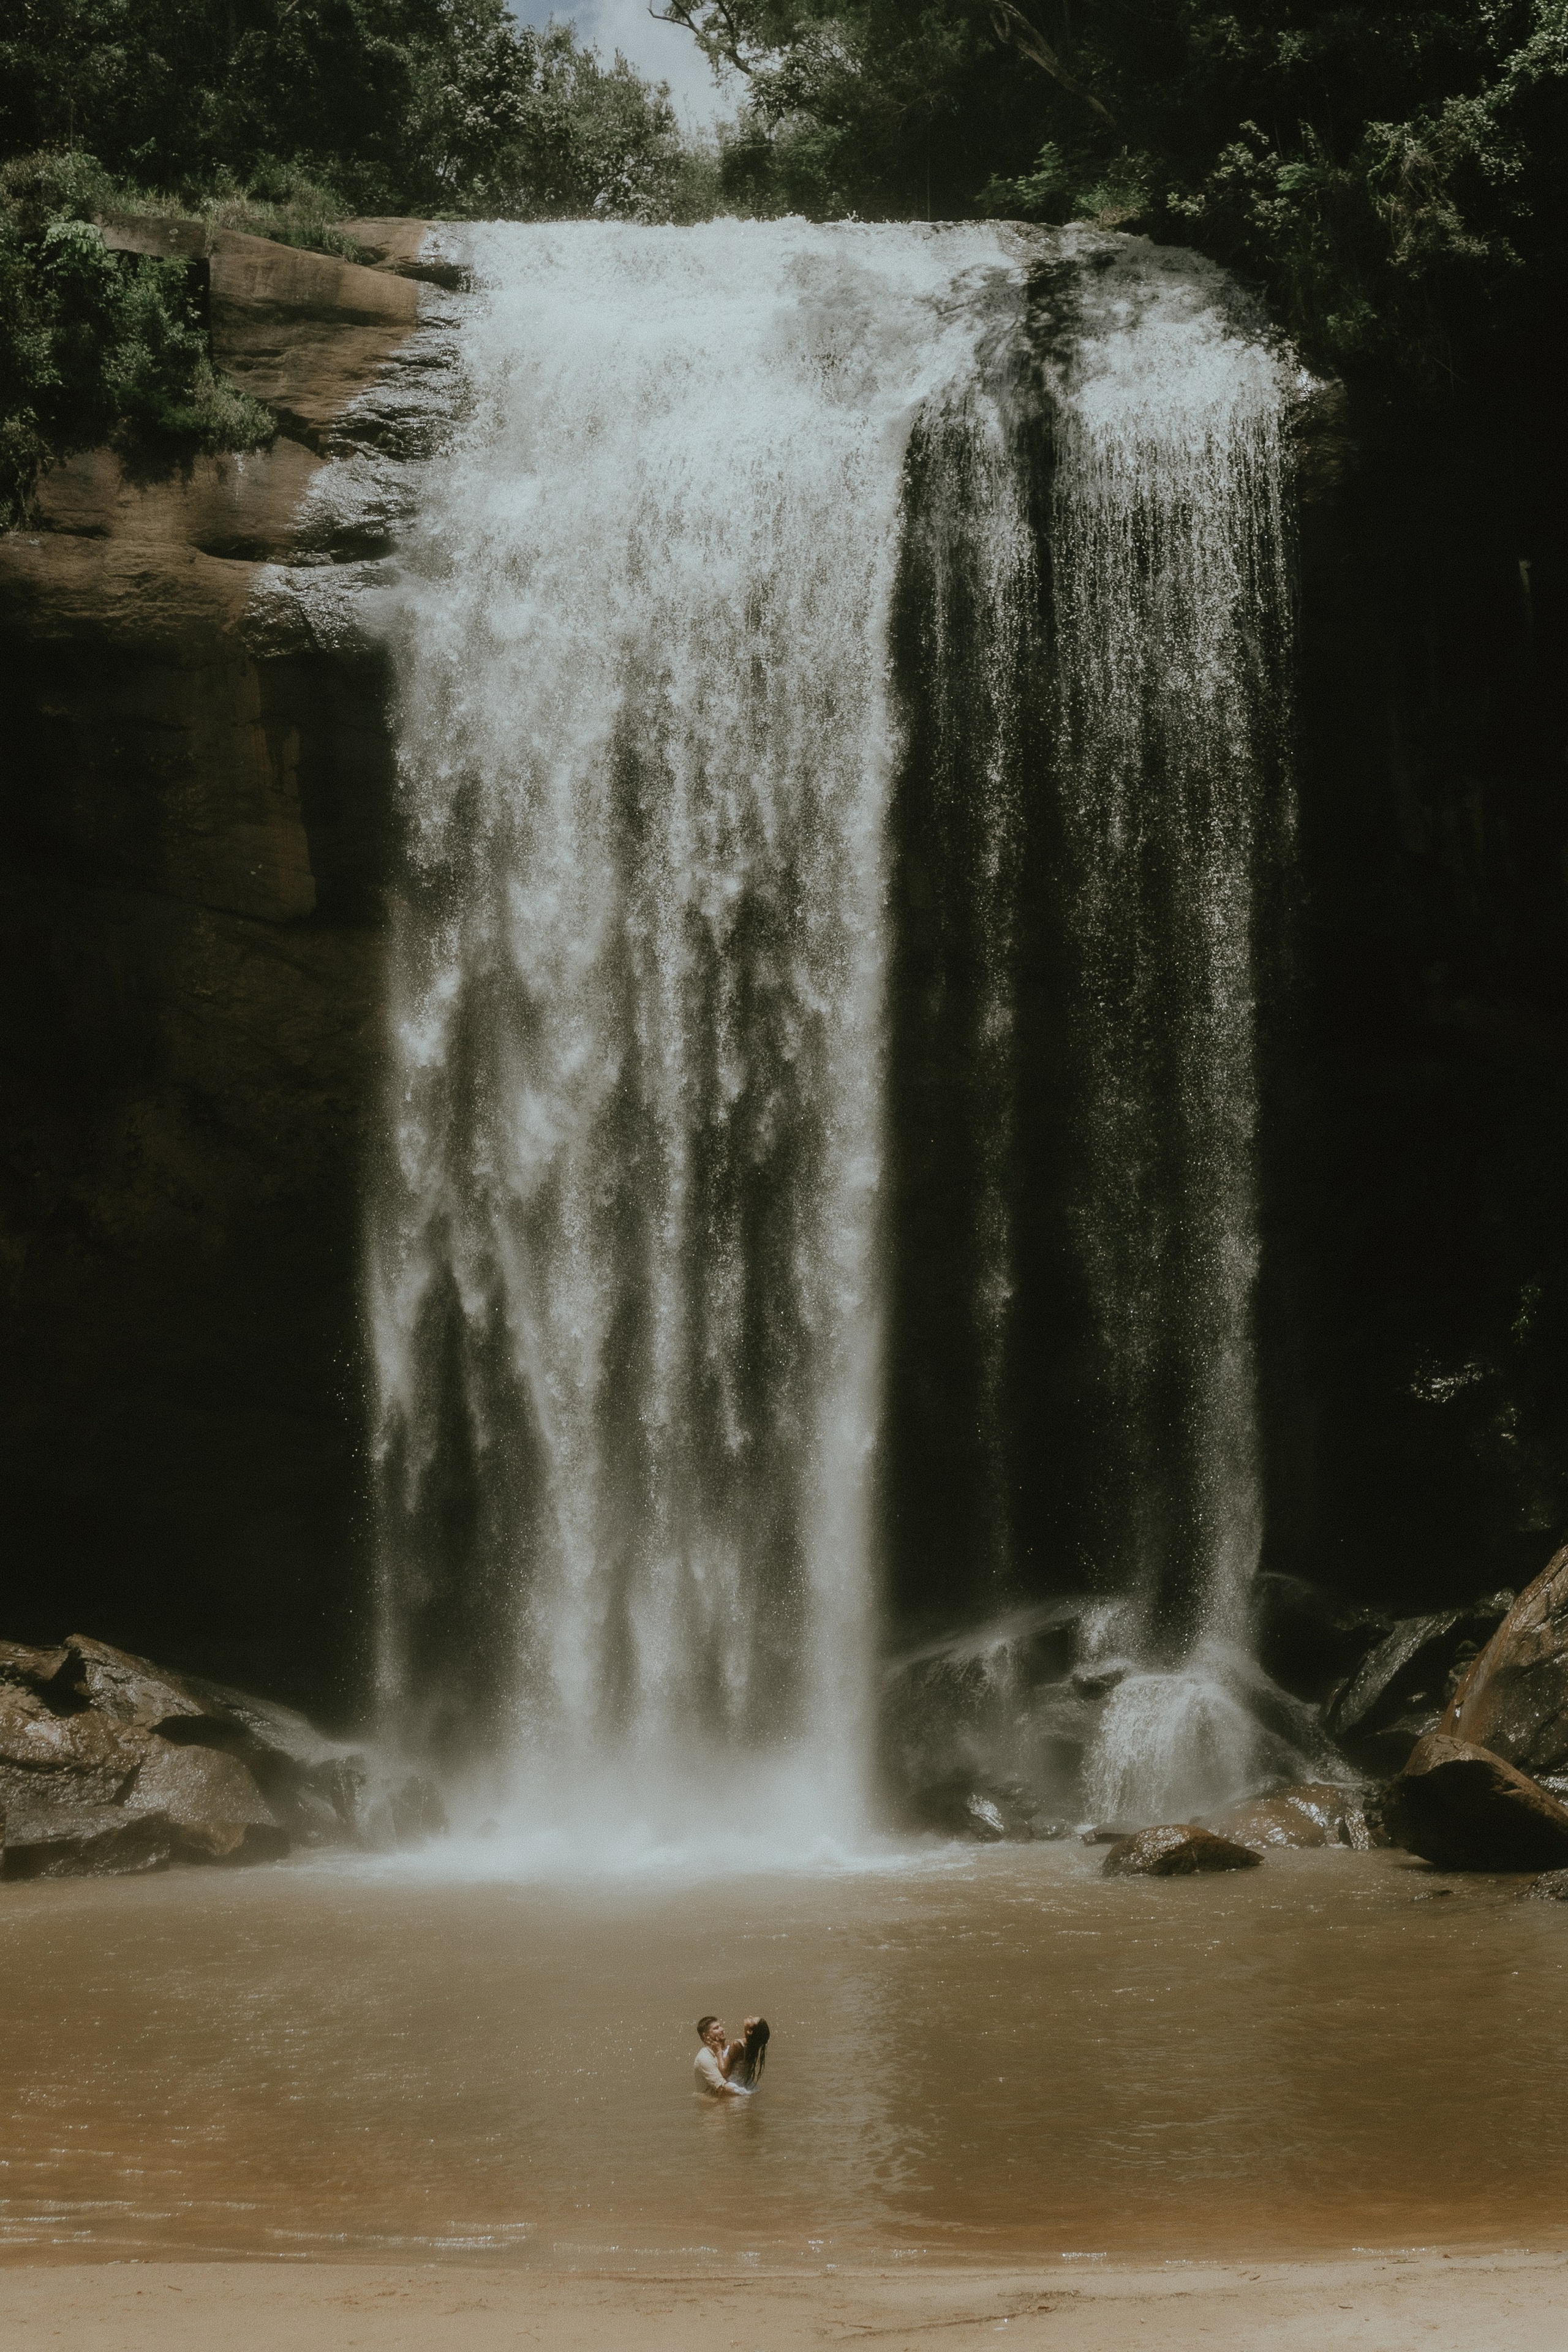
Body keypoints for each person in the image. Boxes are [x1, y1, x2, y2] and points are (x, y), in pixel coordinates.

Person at [693, 2013, 767, 2096]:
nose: (722, 2029)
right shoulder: (704, 2057)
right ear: (706, 2036)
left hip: (736, 2092)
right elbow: (723, 2089)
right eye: (716, 2028)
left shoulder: (731, 2048)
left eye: (720, 2026)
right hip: (715, 2100)